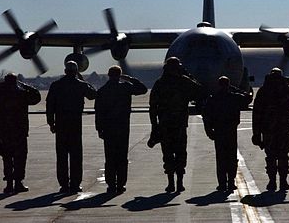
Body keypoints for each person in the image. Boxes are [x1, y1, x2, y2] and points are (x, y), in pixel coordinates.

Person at [149, 57, 202, 193]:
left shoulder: (160, 83)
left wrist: (154, 126)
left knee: (167, 154)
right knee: (180, 153)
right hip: (179, 125)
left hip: (165, 125)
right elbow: (199, 90)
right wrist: (187, 74)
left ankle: (171, 183)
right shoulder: (184, 81)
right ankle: (179, 183)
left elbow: (152, 107)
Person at [46, 61, 97, 193]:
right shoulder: (80, 85)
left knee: (61, 156)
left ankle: (63, 184)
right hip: (75, 124)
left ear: (65, 71)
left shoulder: (56, 85)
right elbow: (93, 94)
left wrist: (51, 122)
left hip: (61, 124)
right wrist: (82, 80)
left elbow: (50, 105)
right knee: (76, 156)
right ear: (76, 72)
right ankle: (75, 184)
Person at [95, 66, 147, 194]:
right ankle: (121, 184)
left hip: (108, 128)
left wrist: (99, 129)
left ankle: (111, 184)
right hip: (123, 127)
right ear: (120, 75)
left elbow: (98, 112)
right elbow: (143, 89)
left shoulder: (102, 90)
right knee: (122, 157)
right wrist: (129, 79)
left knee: (110, 157)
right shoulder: (125, 87)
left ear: (108, 75)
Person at [252, 68, 289, 191]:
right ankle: (283, 181)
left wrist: (256, 134)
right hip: (283, 130)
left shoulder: (263, 91)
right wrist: (288, 81)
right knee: (283, 156)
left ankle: (272, 182)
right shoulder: (287, 89)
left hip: (268, 131)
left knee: (270, 157)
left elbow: (256, 114)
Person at [0, 73, 41, 194]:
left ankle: (9, 184)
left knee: (7, 158)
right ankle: (18, 183)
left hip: (5, 133)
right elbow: (36, 97)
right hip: (20, 132)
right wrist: (25, 85)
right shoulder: (21, 94)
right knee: (20, 158)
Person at [203, 76, 252, 192]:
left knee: (221, 158)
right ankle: (230, 182)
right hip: (230, 131)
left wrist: (209, 130)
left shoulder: (213, 98)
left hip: (219, 131)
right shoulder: (234, 97)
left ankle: (222, 183)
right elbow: (248, 98)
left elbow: (206, 116)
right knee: (231, 157)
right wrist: (235, 89)